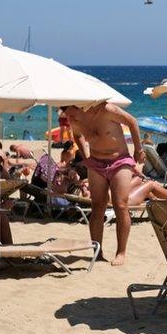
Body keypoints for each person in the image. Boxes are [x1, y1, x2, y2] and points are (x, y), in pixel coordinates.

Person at [65, 103, 145, 266]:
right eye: (67, 115)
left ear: (80, 107)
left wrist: (138, 149)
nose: (69, 118)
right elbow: (78, 136)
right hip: (95, 163)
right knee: (97, 206)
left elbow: (132, 121)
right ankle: (97, 251)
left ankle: (121, 252)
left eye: (71, 114)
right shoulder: (76, 121)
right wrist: (86, 156)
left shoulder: (107, 110)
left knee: (120, 205)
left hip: (120, 160)